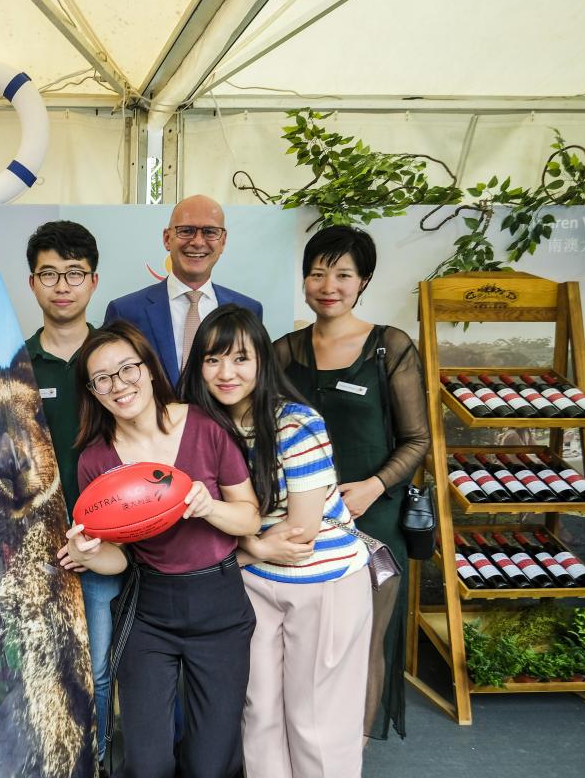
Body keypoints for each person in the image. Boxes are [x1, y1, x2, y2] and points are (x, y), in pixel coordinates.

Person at [179, 304, 372, 777]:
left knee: (315, 721)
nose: (226, 373)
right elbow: (190, 523)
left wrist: (242, 537)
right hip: (250, 579)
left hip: (322, 582)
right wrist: (257, 548)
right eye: (212, 359)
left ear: (263, 361)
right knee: (257, 712)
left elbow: (300, 535)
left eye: (240, 359)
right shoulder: (199, 428)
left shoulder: (296, 424)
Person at [62, 320, 260, 778]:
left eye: (127, 368)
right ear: (93, 392)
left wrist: (209, 507)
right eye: (103, 379)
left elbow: (249, 517)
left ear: (149, 370)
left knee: (212, 763)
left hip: (220, 607)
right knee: (148, 762)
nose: (119, 385)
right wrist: (91, 554)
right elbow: (119, 557)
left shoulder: (206, 427)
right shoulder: (97, 460)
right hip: (149, 612)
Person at [272, 225, 429, 739]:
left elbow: (417, 440)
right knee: (304, 640)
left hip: (374, 518)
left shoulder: (390, 347)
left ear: (363, 281)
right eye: (317, 273)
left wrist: (372, 486)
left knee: (366, 639)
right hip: (301, 521)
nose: (328, 284)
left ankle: (352, 750)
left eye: (342, 274)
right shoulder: (282, 351)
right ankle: (304, 743)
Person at [22, 220, 121, 764]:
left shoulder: (116, 360)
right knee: (40, 670)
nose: (63, 285)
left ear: (94, 280)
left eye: (75, 273)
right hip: (34, 550)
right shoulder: (15, 363)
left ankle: (96, 761)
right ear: (32, 282)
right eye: (50, 273)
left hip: (102, 546)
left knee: (99, 671)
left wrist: (104, 540)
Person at [104, 194, 262, 385]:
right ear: (167, 238)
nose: (197, 241)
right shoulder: (125, 311)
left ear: (223, 241)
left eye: (210, 232)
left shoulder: (249, 310)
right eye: (186, 231)